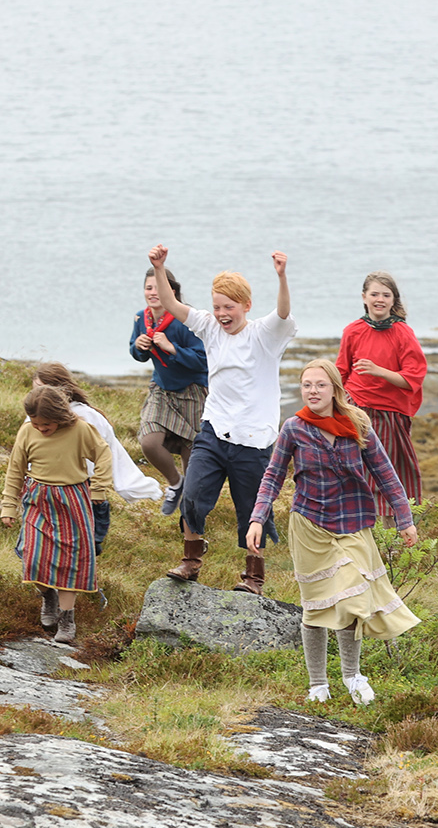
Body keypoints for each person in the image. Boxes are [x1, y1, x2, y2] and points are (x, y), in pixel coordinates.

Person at [249, 361, 420, 704]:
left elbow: (385, 474)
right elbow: (273, 477)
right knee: (315, 607)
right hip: (309, 525)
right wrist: (257, 518)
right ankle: (318, 685)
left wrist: (404, 518)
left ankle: (352, 676)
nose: (313, 391)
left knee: (352, 601)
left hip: (354, 524)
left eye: (320, 385)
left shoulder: (358, 425)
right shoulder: (294, 428)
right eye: (307, 385)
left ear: (335, 390)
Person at [147, 244, 297, 595]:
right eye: (216, 307)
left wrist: (281, 276)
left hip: (254, 440)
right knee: (193, 494)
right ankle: (191, 560)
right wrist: (159, 268)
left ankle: (254, 576)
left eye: (228, 307)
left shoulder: (265, 334)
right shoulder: (209, 328)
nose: (221, 314)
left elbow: (284, 311)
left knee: (252, 511)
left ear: (246, 305)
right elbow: (170, 304)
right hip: (214, 430)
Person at [0, 383, 115, 645]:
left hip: (72, 500)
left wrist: (98, 489)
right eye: (35, 423)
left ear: (61, 416)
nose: (40, 429)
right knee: (33, 557)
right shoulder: (27, 431)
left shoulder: (81, 429)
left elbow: (104, 454)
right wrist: (9, 506)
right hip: (37, 500)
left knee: (70, 562)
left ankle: (66, 618)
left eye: (46, 425)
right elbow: (15, 469)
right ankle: (48, 597)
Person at [33, 361, 160, 560]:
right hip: (48, 491)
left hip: (84, 492)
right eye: (35, 390)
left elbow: (108, 455)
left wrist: (104, 488)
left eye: (42, 389)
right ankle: (51, 590)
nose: (38, 397)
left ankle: (82, 584)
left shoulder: (88, 417)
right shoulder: (34, 418)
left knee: (79, 551)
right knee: (42, 549)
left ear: (61, 390)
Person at [336, 271, 427, 525]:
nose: (380, 299)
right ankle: (354, 529)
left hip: (389, 414)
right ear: (364, 297)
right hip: (356, 410)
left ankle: (392, 535)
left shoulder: (403, 333)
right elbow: (341, 372)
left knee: (386, 475)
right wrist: (339, 404)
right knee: (352, 472)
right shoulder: (352, 331)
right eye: (374, 294)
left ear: (393, 299)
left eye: (386, 295)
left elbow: (413, 378)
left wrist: (379, 371)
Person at [127, 266, 209, 515]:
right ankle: (175, 484)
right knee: (149, 442)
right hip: (161, 389)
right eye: (148, 288)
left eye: (158, 287)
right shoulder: (141, 318)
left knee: (190, 456)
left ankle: (190, 515)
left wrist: (172, 348)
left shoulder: (186, 320)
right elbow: (136, 352)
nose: (153, 293)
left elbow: (204, 360)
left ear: (171, 291)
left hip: (193, 392)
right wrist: (138, 347)